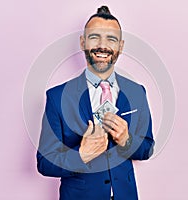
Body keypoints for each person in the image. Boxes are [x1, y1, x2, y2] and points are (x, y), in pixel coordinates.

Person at [37, 5, 155, 200]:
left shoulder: (137, 93)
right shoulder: (57, 97)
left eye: (111, 38)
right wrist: (80, 155)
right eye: (94, 37)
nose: (103, 45)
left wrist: (127, 140)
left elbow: (147, 149)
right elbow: (44, 163)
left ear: (120, 46)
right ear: (83, 42)